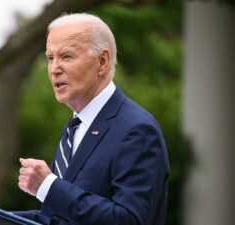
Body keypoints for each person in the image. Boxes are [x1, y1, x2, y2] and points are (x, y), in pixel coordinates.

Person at [15, 13, 170, 225]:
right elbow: (58, 220)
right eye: (50, 58)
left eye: (66, 56)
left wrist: (49, 186)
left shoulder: (137, 129)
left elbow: (130, 220)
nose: (54, 69)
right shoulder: (75, 128)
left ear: (102, 62)